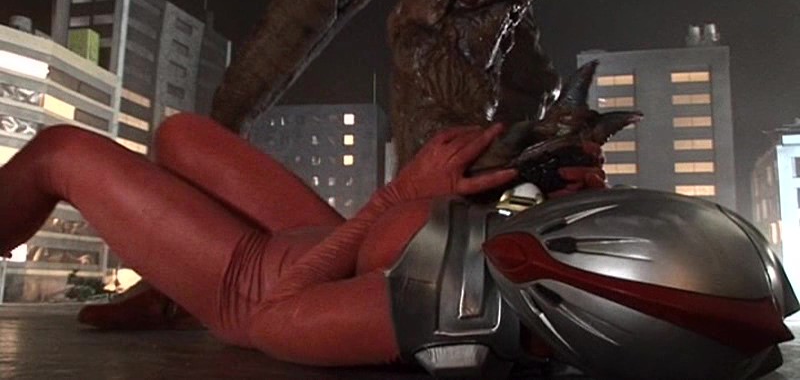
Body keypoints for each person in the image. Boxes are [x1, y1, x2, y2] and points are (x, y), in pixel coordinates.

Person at [0, 112, 605, 365]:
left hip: (252, 284)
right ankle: (168, 290)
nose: (595, 185)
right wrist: (530, 174)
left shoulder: (470, 302)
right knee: (180, 134)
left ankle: (189, 290)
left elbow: (274, 316)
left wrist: (397, 196)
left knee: (61, 152)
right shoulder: (553, 249)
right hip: (319, 240)